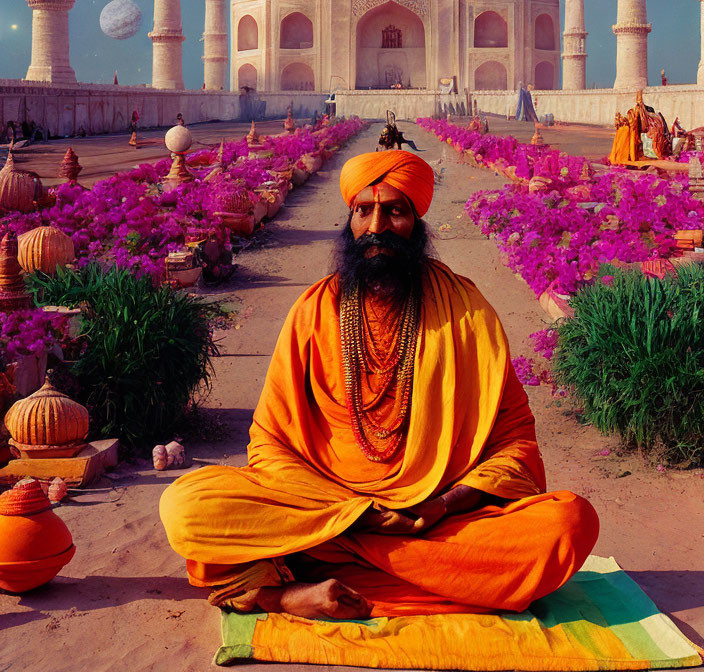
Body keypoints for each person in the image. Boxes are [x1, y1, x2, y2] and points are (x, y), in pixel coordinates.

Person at [160, 152, 598, 620]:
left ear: (417, 221)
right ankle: (309, 591)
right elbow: (269, 444)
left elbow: (515, 443)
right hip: (329, 515)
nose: (376, 226)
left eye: (394, 210)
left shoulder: (466, 311)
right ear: (349, 221)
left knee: (569, 523)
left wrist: (443, 505)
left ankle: (294, 585)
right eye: (363, 210)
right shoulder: (313, 312)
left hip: (433, 523)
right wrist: (351, 514)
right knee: (187, 506)